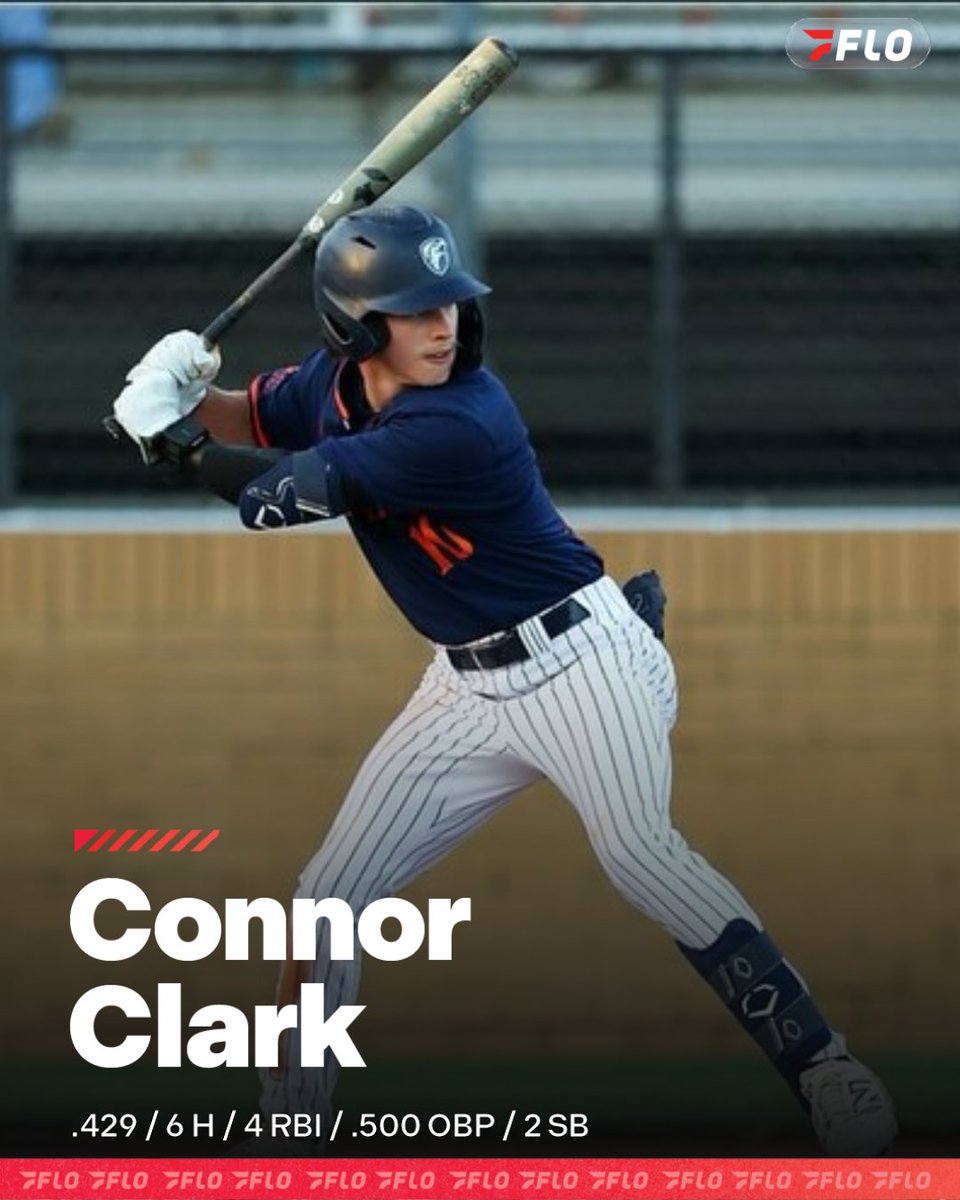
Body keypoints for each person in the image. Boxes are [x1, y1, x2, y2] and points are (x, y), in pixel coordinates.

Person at [111, 203, 897, 1156]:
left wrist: (173, 444)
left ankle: (826, 1070)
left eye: (447, 301)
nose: (442, 323)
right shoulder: (332, 386)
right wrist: (187, 392)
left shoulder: (461, 419)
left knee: (638, 853)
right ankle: (293, 1143)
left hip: (582, 662)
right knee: (326, 900)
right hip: (464, 685)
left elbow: (269, 498)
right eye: (412, 309)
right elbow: (255, 423)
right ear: (357, 328)